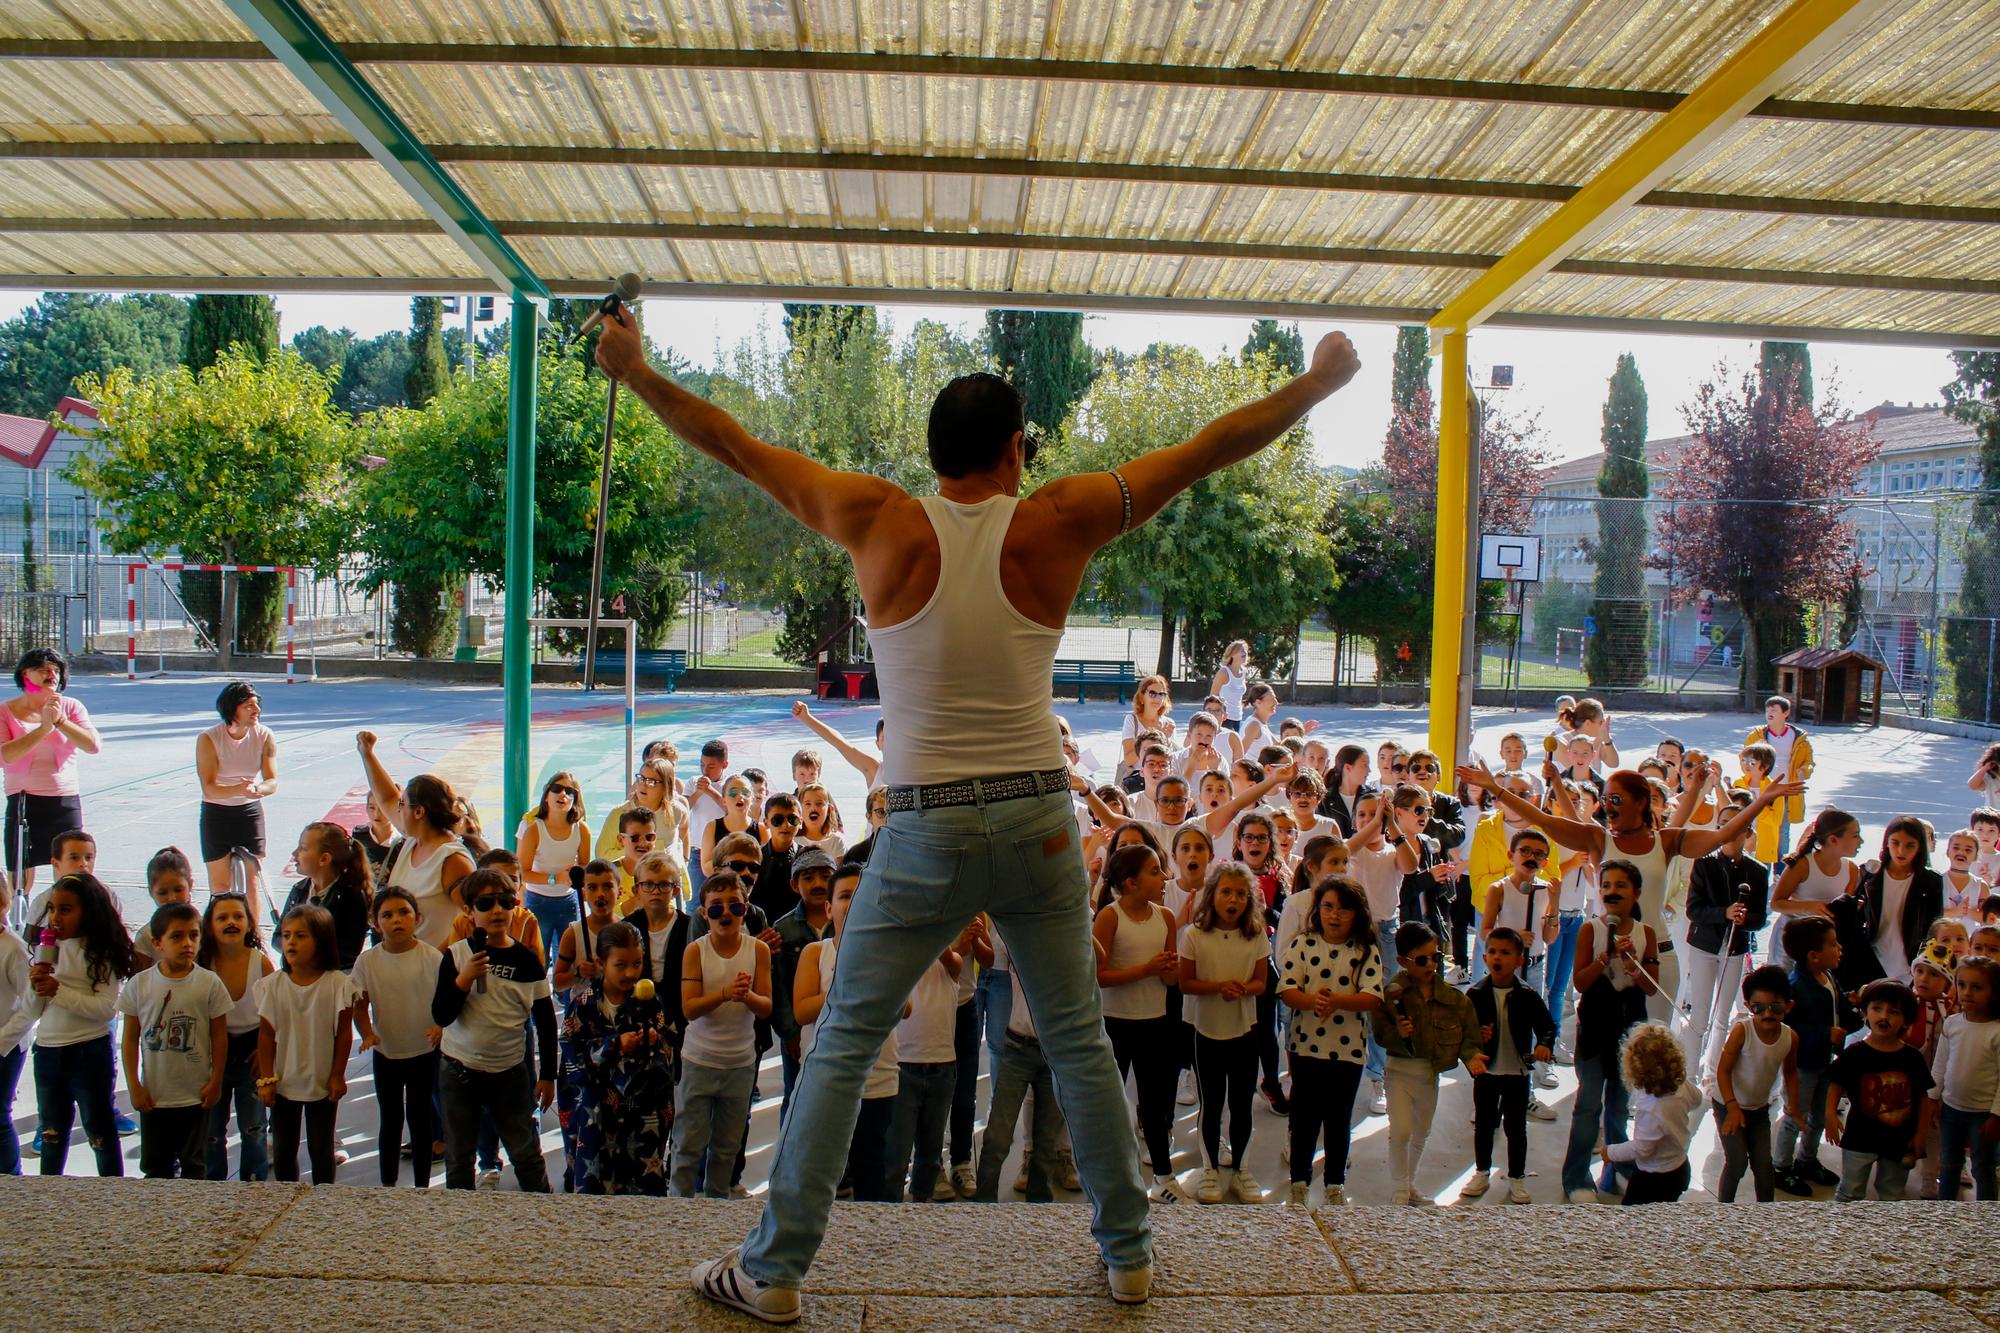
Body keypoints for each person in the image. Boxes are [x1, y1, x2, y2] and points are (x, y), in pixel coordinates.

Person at [598, 307, 1359, 1315]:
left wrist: (636, 369)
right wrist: (1311, 386)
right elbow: (1205, 448)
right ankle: (1127, 1253)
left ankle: (775, 1271)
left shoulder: (874, 515)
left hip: (920, 824)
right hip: (1038, 819)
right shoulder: (1057, 517)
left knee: (845, 1037)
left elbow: (735, 444)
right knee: (1076, 1035)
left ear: (932, 451)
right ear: (1014, 449)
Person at [1458, 757, 1800, 1024]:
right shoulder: (1597, 838)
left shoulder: (1665, 840)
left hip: (1658, 956)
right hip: (1605, 955)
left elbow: (1719, 837)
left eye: (1616, 798)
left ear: (1640, 802)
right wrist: (1497, 790)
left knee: (1651, 1050)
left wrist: (1761, 801)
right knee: (1603, 1058)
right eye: (1606, 799)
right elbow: (1545, 821)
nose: (1608, 806)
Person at [431, 867, 556, 1192]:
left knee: (525, 1152)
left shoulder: (527, 961)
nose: (497, 910)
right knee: (459, 1156)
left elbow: (545, 1019)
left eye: (505, 901)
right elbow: (441, 1015)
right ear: (469, 912)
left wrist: (548, 1075)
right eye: (486, 903)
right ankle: (461, 1227)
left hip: (509, 1072)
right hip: (459, 1070)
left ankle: (546, 1220)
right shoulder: (457, 956)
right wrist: (463, 980)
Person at [1278, 878, 1382, 1206]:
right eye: (1328, 907)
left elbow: (1372, 997)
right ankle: (1298, 1181)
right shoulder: (1303, 945)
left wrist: (1338, 1001)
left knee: (1338, 1120)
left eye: (1344, 909)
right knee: (1304, 1118)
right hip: (1306, 1047)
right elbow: (1287, 989)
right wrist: (1312, 1002)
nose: (1334, 915)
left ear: (1358, 914)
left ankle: (1335, 1183)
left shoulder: (1365, 951)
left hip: (1347, 1052)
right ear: (1317, 909)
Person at [1562, 862, 1659, 1204]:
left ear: (1636, 893)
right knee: (1588, 1105)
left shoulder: (1646, 934)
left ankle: (1616, 1170)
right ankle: (1575, 1176)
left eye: (1621, 885)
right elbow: (1580, 982)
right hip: (1595, 1030)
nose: (1612, 892)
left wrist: (1633, 964)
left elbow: (1652, 988)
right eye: (1606, 886)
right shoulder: (1591, 929)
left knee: (1619, 1106)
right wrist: (1604, 960)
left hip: (1629, 1031)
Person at [1093, 844, 1185, 1203]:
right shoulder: (1110, 917)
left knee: (1155, 1103)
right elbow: (1099, 976)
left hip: (1155, 1022)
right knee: (1112, 1103)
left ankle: (1163, 1177)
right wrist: (1147, 969)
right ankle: (1112, 1178)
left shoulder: (1165, 916)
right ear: (1130, 882)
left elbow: (1171, 980)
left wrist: (1170, 970)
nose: (1164, 877)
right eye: (1155, 871)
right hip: (1116, 1023)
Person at [675, 870, 771, 1199]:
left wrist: (747, 997)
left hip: (739, 1064)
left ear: (746, 909)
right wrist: (726, 993)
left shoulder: (758, 950)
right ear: (704, 913)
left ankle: (716, 1211)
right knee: (688, 1146)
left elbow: (766, 1007)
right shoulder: (695, 952)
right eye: (716, 908)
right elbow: (689, 1009)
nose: (726, 914)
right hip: (700, 1060)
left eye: (735, 907)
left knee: (726, 1150)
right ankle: (678, 1211)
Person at [28, 872, 130, 1176]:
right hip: (47, 1052)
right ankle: (48, 1194)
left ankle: (112, 1193)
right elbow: (33, 1009)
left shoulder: (100, 953)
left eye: (66, 909)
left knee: (99, 1130)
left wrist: (58, 990)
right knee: (52, 1132)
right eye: (51, 909)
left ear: (88, 911)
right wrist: (37, 982)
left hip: (89, 1051)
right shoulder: (46, 951)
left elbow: (105, 1009)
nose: (56, 917)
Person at [1178, 860, 1268, 1205]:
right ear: (1212, 895)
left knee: (1242, 1103)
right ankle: (1210, 1169)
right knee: (1211, 1104)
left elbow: (1261, 982)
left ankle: (1242, 1170)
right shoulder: (1195, 935)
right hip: (1207, 1033)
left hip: (1244, 1031)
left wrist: (1243, 989)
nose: (1233, 900)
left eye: (1241, 894)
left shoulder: (1255, 934)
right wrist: (1219, 987)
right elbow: (1186, 983)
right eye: (1226, 892)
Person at [118, 901, 229, 1179]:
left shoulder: (209, 983)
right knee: (156, 1167)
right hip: (156, 1097)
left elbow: (219, 1035)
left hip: (196, 1094)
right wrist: (134, 1086)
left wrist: (216, 1081)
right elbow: (130, 1040)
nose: (187, 943)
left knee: (194, 1164)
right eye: (176, 936)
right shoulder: (140, 985)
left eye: (193, 935)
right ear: (157, 942)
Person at [1374, 920, 1481, 1206]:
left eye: (1436, 956)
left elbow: (1467, 1030)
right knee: (1400, 1130)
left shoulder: (1450, 997)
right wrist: (1398, 1034)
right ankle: (1399, 1188)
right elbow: (1379, 1033)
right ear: (1402, 961)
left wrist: (1472, 1054)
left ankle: (1409, 1185)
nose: (1431, 964)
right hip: (1399, 1071)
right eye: (1422, 959)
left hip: (1430, 1073)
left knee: (1421, 1131)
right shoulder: (1393, 994)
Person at [565, 921, 674, 1196]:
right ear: (601, 963)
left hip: (643, 1113)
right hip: (597, 1115)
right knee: (596, 1189)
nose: (630, 973)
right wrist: (614, 1045)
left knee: (644, 1188)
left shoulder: (651, 1002)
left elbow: (670, 1043)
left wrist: (655, 1041)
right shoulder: (583, 1005)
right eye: (621, 965)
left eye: (637, 964)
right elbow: (572, 1059)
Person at [350, 886, 443, 1188]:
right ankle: (387, 1187)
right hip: (387, 1053)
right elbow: (358, 1002)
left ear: (417, 917)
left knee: (420, 1119)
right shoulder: (368, 962)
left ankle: (422, 1186)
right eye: (387, 915)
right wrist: (367, 1033)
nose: (396, 920)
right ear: (376, 924)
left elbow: (445, 1002)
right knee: (390, 1121)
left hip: (423, 1052)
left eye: (404, 912)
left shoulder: (432, 958)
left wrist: (440, 1026)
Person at [255, 903, 354, 1185]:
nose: (291, 942)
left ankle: (322, 1205)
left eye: (301, 935)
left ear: (321, 941)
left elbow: (343, 1034)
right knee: (284, 1152)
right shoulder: (272, 986)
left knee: (321, 1150)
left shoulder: (337, 984)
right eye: (286, 936)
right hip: (284, 1082)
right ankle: (288, 1201)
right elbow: (265, 1035)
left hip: (321, 1082)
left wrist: (337, 1074)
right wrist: (266, 1078)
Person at [356, 733, 476, 951]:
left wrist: (434, 959)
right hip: (403, 965)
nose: (397, 809)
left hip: (434, 973)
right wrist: (367, 754)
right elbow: (386, 798)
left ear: (419, 812)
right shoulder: (414, 840)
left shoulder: (452, 860)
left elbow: (473, 920)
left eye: (403, 804)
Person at [2, 648, 100, 910]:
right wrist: (43, 729)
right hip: (24, 799)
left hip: (64, 799)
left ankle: (70, 917)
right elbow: (6, 755)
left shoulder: (71, 707)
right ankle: (21, 921)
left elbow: (92, 745)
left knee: (71, 868)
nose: (51, 675)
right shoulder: (6, 711)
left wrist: (60, 722)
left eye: (56, 671)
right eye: (44, 669)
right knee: (20, 869)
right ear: (26, 673)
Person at [1465, 926, 1555, 1204]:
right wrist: (1475, 1040)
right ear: (1484, 957)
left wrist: (1544, 1045)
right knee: (1484, 1124)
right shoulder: (1475, 994)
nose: (1497, 957)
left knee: (1516, 1127)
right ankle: (1481, 1171)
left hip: (1517, 1072)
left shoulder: (1526, 995)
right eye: (1492, 951)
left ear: (1519, 960)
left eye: (1505, 952)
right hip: (1487, 1073)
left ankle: (1516, 1176)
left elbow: (1547, 1026)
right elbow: (1463, 1033)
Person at [1679, 806, 1770, 1079]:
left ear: (1748, 833)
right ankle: (1691, 1073)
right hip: (1704, 946)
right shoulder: (1704, 863)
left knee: (1724, 1015)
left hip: (1735, 949)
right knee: (1700, 1015)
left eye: (1735, 825)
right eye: (1723, 824)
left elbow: (1760, 917)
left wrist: (1744, 919)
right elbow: (1693, 910)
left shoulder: (1757, 871)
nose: (1728, 831)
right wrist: (1723, 913)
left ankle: (1713, 1073)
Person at [1827, 978, 1935, 1201]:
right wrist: (1829, 1115)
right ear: (1865, 1012)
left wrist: (1921, 1134)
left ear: (1906, 1020)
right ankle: (1844, 1235)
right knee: (1850, 1193)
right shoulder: (1855, 1053)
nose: (1884, 1016)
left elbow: (1923, 1097)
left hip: (1899, 1140)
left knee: (1892, 1194)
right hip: (1859, 1137)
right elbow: (1836, 1083)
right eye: (1877, 1009)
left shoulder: (1913, 1058)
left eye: (1894, 1012)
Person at [1774, 916, 1857, 1195]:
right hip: (1803, 1066)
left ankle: (1806, 1160)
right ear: (1813, 956)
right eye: (1833, 944)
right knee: (1795, 1114)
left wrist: (1854, 1004)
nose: (1840, 948)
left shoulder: (1828, 976)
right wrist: (1825, 1034)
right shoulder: (1796, 986)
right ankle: (1781, 1167)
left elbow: (1839, 1005)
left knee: (1820, 1114)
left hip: (1826, 1061)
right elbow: (1791, 1030)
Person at [1708, 964, 1803, 1202]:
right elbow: (1723, 1070)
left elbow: (1791, 1072)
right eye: (1759, 1008)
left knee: (1764, 1165)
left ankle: (1766, 1216)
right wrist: (1731, 1107)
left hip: (1759, 1110)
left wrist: (1794, 1105)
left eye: (1776, 1007)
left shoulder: (1789, 1037)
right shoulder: (1742, 1031)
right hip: (1727, 1105)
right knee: (1737, 1161)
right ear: (1749, 1007)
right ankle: (1724, 1211)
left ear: (1788, 1006)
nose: (1768, 1014)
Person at [200, 893, 273, 1180]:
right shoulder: (203, 964)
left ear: (249, 923)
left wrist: (265, 1049)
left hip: (252, 1051)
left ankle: (254, 1183)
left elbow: (274, 1013)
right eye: (222, 917)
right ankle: (213, 1182)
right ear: (209, 926)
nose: (231, 922)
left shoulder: (261, 964)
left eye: (237, 917)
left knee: (254, 1127)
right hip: (212, 1052)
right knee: (211, 1131)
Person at [195, 681, 278, 915]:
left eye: (257, 704)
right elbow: (209, 788)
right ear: (233, 709)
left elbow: (272, 781)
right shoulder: (208, 739)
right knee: (220, 887)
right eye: (248, 705)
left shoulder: (264, 735)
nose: (256, 710)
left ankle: (255, 937)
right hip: (216, 812)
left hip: (249, 811)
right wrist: (238, 789)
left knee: (252, 885)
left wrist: (258, 789)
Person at [1603, 1022, 1701, 1204]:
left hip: (1654, 1177)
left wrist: (1611, 1152)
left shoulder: (1652, 1107)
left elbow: (1643, 1149)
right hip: (1680, 1166)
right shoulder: (1682, 1085)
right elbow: (1698, 1100)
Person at [1930, 955, 1999, 1200]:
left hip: (1982, 1114)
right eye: (1962, 985)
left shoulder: (1996, 1031)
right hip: (1951, 1109)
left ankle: (1986, 1219)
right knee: (1948, 1164)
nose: (1967, 992)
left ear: (1994, 992)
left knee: (1982, 1167)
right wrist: (1932, 1100)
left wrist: (1996, 1115)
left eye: (1977, 987)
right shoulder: (1952, 1024)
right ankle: (1945, 1214)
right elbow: (1940, 1066)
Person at [1768, 808, 1862, 970]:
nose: (1860, 841)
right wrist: (1809, 906)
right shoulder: (1802, 865)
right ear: (1833, 840)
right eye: (1855, 836)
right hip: (1791, 941)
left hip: (1822, 945)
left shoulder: (1852, 870)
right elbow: (1776, 903)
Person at [1856, 816, 1945, 985]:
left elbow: (1934, 927)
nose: (1901, 851)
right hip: (1871, 961)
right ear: (1887, 843)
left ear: (1920, 847)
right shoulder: (1870, 876)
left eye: (1910, 845)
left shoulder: (1931, 881)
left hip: (1910, 967)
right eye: (1895, 843)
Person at [517, 771, 591, 966]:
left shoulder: (581, 830)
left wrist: (576, 875)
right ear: (546, 796)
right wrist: (554, 878)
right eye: (557, 789)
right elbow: (521, 872)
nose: (563, 795)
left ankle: (564, 997)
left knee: (567, 960)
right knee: (536, 960)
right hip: (537, 902)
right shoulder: (534, 830)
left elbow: (585, 864)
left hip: (569, 901)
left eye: (569, 791)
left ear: (575, 799)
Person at [282, 822, 373, 971]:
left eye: (303, 848)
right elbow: (278, 937)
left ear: (324, 859)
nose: (294, 853)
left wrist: (305, 952)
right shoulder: (299, 889)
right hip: (298, 974)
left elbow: (348, 951)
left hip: (333, 978)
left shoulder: (351, 896)